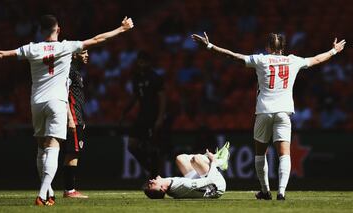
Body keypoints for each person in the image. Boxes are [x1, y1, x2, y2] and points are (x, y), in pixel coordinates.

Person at [0, 14, 134, 206]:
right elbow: (98, 39)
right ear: (58, 30)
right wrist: (122, 29)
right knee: (53, 146)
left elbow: (2, 54)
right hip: (57, 102)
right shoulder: (66, 46)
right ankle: (43, 194)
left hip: (37, 102)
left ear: (40, 30)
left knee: (41, 147)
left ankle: (48, 191)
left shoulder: (32, 48)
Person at [192, 32, 346, 200]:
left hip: (264, 111)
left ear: (267, 47)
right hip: (283, 111)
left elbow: (234, 56)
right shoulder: (293, 60)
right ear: (283, 48)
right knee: (284, 154)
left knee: (260, 154)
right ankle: (281, 192)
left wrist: (209, 46)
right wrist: (333, 51)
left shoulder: (261, 60)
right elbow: (316, 59)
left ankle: (265, 191)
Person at [120, 51, 166, 178]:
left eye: (144, 61)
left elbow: (162, 98)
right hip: (142, 116)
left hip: (153, 116)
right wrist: (125, 111)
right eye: (140, 61)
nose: (141, 63)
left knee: (153, 147)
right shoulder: (137, 78)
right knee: (132, 145)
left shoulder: (155, 78)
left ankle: (156, 176)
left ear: (149, 62)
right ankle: (152, 171)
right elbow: (135, 97)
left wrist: (160, 118)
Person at [144, 142, 230, 199]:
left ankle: (209, 158)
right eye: (152, 184)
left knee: (180, 158)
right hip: (216, 186)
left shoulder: (168, 185)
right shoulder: (184, 185)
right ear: (162, 189)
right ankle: (220, 161)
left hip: (202, 184)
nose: (150, 180)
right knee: (196, 159)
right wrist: (214, 163)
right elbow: (210, 180)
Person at [63, 50, 89, 198]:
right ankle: (69, 190)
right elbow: (64, 93)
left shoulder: (77, 72)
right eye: (84, 52)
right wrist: (70, 119)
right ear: (74, 55)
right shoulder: (70, 71)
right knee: (73, 152)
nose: (87, 55)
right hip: (72, 116)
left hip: (77, 116)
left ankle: (69, 189)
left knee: (73, 152)